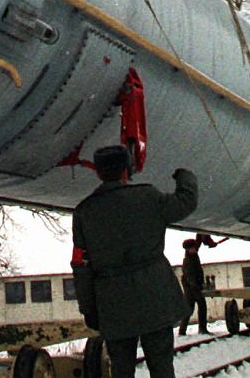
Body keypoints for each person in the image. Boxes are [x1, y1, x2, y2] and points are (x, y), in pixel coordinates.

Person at [71, 145, 197, 378]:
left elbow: (80, 266)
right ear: (126, 170)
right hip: (156, 299)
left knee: (121, 370)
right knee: (162, 368)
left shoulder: (84, 212)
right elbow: (186, 202)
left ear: (98, 173)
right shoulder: (148, 196)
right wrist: (184, 177)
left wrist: (88, 309)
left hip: (113, 305)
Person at [179, 238, 210, 336]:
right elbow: (189, 276)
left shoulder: (195, 257)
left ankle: (198, 329)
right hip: (191, 289)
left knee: (193, 308)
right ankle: (185, 330)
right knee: (195, 308)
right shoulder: (188, 261)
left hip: (195, 287)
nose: (194, 249)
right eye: (192, 248)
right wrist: (196, 287)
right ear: (188, 249)